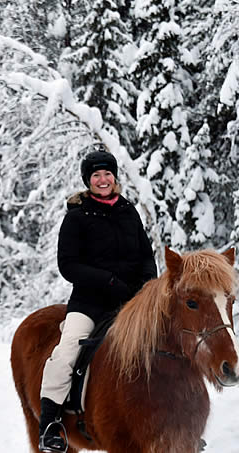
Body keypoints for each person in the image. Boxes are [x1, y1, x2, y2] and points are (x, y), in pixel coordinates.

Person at [38, 149, 157, 453]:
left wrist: (146, 285)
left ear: (114, 177)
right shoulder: (77, 217)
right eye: (96, 175)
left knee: (165, 346)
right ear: (88, 181)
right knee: (66, 351)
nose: (103, 180)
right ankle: (50, 424)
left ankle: (173, 420)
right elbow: (68, 265)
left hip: (131, 303)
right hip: (89, 303)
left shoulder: (129, 212)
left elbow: (146, 256)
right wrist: (108, 281)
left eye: (107, 174)